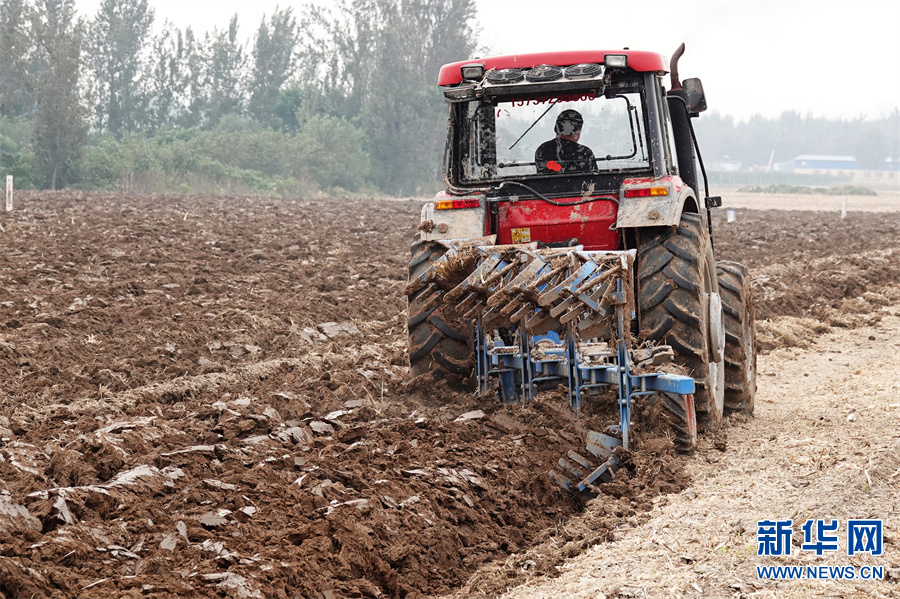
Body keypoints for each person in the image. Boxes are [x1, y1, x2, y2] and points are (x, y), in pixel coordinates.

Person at [534, 109, 597, 174]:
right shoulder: (585, 152)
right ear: (578, 133)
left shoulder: (542, 149)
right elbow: (595, 180)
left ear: (555, 128)